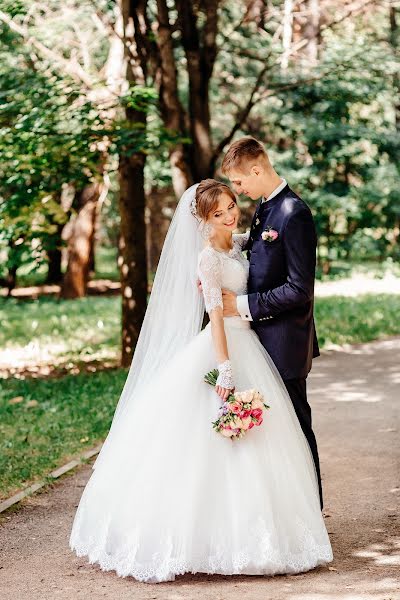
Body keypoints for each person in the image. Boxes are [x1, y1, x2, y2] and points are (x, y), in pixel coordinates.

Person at [69, 179, 333, 583]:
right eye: (219, 213)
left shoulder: (236, 242)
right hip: (224, 345)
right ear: (202, 219)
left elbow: (255, 245)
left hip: (254, 345)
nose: (230, 214)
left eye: (231, 205)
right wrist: (224, 367)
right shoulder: (208, 258)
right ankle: (198, 539)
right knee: (208, 444)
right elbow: (214, 318)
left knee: (262, 442)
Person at [220, 137, 324, 509]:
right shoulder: (265, 206)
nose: (238, 189)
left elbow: (299, 289)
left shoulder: (295, 213)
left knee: (297, 427)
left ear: (256, 169)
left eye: (238, 181)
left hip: (286, 343)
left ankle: (312, 509)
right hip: (260, 340)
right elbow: (262, 256)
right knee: (275, 435)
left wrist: (243, 305)